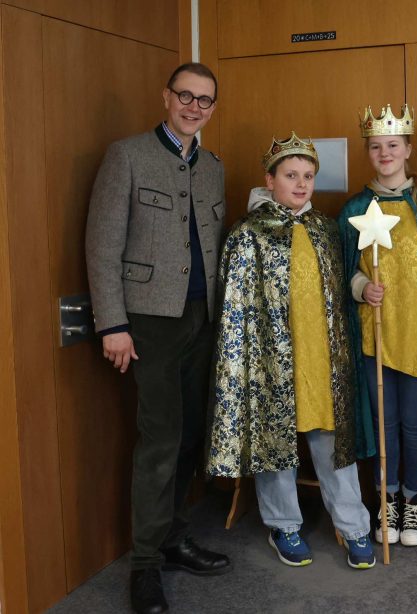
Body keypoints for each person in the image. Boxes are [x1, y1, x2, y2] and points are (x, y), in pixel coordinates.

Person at [85, 62, 231, 614]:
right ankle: (145, 566)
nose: (194, 107)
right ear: (166, 97)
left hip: (202, 318)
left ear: (213, 108)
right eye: (185, 96)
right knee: (160, 438)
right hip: (148, 322)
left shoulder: (213, 166)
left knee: (193, 433)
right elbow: (101, 246)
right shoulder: (127, 155)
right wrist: (112, 324)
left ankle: (173, 538)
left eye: (205, 100)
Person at [206, 133, 375, 570]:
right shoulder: (247, 235)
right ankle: (283, 523)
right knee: (274, 443)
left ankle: (354, 525)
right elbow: (234, 313)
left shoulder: (325, 228)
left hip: (321, 356)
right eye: (290, 175)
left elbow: (342, 284)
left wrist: (362, 290)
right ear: (270, 178)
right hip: (271, 359)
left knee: (332, 443)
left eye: (308, 176)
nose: (300, 185)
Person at [338, 104, 417, 547]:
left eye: (393, 145)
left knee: (413, 424)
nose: (385, 153)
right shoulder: (354, 209)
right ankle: (385, 500)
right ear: (368, 152)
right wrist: (360, 287)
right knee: (382, 423)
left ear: (407, 149)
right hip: (374, 337)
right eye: (376, 146)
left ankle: (413, 502)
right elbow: (341, 270)